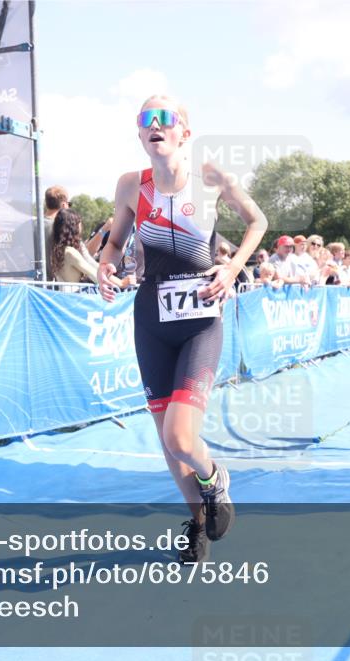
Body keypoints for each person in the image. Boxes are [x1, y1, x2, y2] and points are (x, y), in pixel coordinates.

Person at [97, 95, 266, 564]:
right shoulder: (132, 186)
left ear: (183, 134)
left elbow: (258, 221)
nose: (154, 126)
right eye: (145, 120)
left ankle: (216, 480)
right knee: (168, 445)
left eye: (164, 119)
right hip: (151, 320)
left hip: (199, 322)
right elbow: (113, 246)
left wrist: (232, 268)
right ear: (140, 135)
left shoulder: (211, 178)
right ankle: (198, 524)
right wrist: (104, 269)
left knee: (181, 438)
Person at [49, 208, 128, 287]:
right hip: (75, 296)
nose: (81, 226)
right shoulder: (70, 252)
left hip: (64, 295)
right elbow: (93, 273)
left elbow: (92, 265)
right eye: (79, 222)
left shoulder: (57, 250)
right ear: (73, 226)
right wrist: (121, 284)